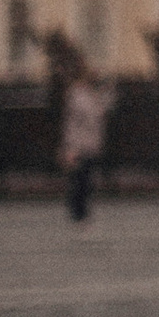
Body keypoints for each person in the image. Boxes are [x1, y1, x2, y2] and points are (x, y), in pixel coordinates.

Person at [60, 66, 110, 223]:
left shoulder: (92, 95)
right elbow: (73, 124)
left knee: (88, 181)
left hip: (91, 145)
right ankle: (78, 214)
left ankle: (83, 213)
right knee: (79, 181)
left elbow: (100, 115)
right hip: (79, 145)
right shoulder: (77, 96)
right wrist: (70, 148)